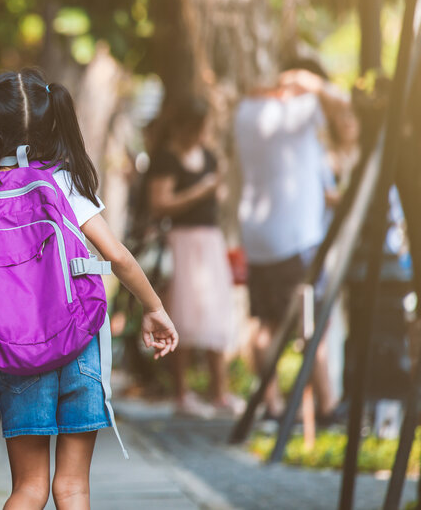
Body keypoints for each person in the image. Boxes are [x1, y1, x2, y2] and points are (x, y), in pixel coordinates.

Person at [0, 70, 178, 510]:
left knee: (28, 489)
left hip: (15, 356)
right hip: (78, 347)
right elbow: (120, 258)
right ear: (53, 121)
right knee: (72, 489)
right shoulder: (65, 182)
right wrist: (154, 307)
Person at [234, 59, 356, 421]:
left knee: (267, 324)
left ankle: (270, 405)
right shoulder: (300, 109)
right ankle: (329, 405)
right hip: (296, 236)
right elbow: (344, 106)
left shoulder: (247, 110)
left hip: (258, 236)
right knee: (313, 322)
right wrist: (313, 85)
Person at [148, 96, 238, 416]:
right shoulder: (167, 159)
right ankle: (182, 394)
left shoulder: (210, 157)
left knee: (214, 315)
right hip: (182, 242)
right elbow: (160, 203)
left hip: (209, 241)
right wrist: (201, 190)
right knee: (181, 314)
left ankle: (220, 391)